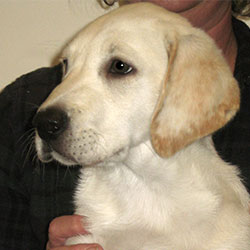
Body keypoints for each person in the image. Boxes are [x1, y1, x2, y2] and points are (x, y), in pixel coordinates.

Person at [0, 0, 249, 250]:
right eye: (68, 66)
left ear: (186, 96)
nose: (52, 105)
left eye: (119, 67)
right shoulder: (18, 104)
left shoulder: (233, 233)